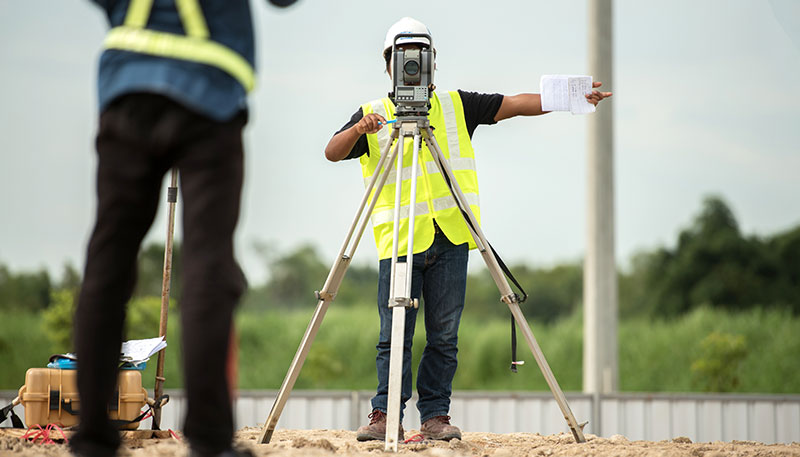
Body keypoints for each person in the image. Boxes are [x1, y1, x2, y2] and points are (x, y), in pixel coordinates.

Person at [324, 17, 612, 442]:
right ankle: (384, 415)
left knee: (444, 334)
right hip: (401, 242)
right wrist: (358, 130)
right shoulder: (373, 116)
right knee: (394, 335)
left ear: (432, 62)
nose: (412, 67)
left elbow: (514, 103)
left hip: (453, 238)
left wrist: (571, 97)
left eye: (419, 59)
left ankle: (434, 417)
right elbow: (332, 151)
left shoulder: (457, 106)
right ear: (388, 64)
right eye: (403, 59)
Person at [71, 1, 296, 456]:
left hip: (126, 87)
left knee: (108, 263)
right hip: (210, 96)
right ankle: (211, 440)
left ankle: (93, 436)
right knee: (209, 266)